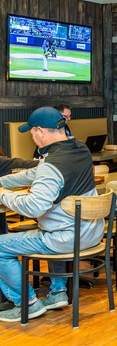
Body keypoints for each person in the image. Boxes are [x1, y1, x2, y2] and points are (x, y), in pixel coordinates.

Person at [0, 107, 99, 322]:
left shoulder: (51, 165)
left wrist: (3, 195)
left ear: (40, 131)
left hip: (65, 237)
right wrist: (3, 181)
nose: (32, 137)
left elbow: (34, 207)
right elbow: (35, 173)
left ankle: (27, 304)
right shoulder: (80, 150)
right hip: (92, 232)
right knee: (50, 222)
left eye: (32, 132)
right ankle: (56, 292)